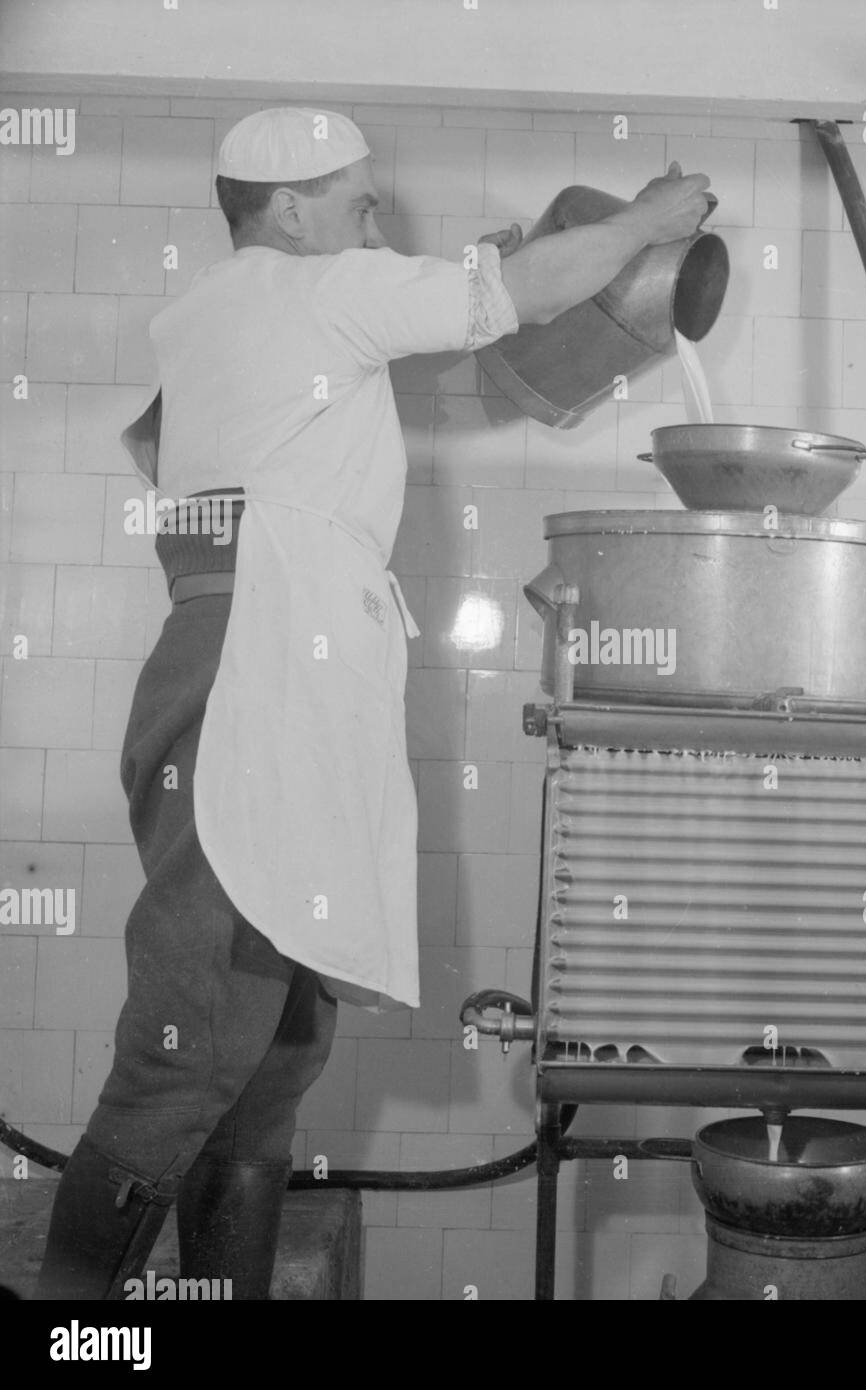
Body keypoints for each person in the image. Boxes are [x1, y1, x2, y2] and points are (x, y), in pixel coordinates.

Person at [35, 106, 711, 1300]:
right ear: (286, 209)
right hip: (255, 660)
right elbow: (536, 283)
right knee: (196, 1029)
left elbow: (161, 453)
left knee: (277, 1040)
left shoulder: (223, 320)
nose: (374, 217)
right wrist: (656, 219)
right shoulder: (307, 289)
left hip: (261, 645)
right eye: (357, 199)